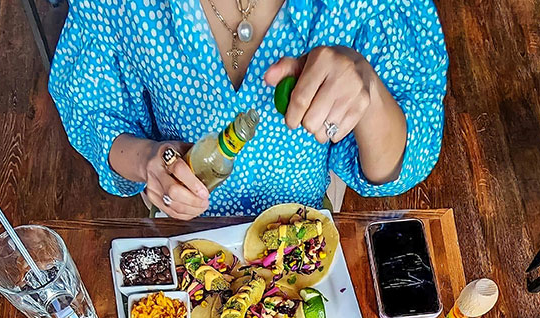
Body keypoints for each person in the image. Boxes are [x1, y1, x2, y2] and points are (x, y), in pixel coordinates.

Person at [49, 0, 448, 219]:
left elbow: (398, 169)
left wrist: (369, 89)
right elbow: (92, 113)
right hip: (182, 239)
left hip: (303, 233)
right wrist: (148, 160)